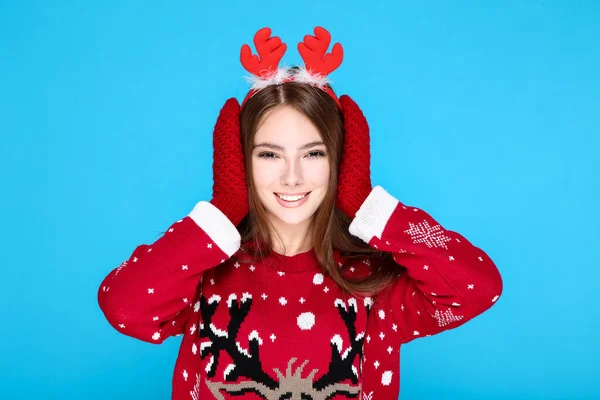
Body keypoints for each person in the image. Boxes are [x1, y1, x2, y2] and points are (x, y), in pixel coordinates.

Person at [98, 26, 503, 400]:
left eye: (313, 153)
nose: (292, 177)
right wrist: (222, 210)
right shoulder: (203, 272)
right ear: (240, 163)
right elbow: (124, 307)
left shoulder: (372, 284)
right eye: (270, 154)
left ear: (340, 162)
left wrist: (367, 205)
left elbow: (479, 287)